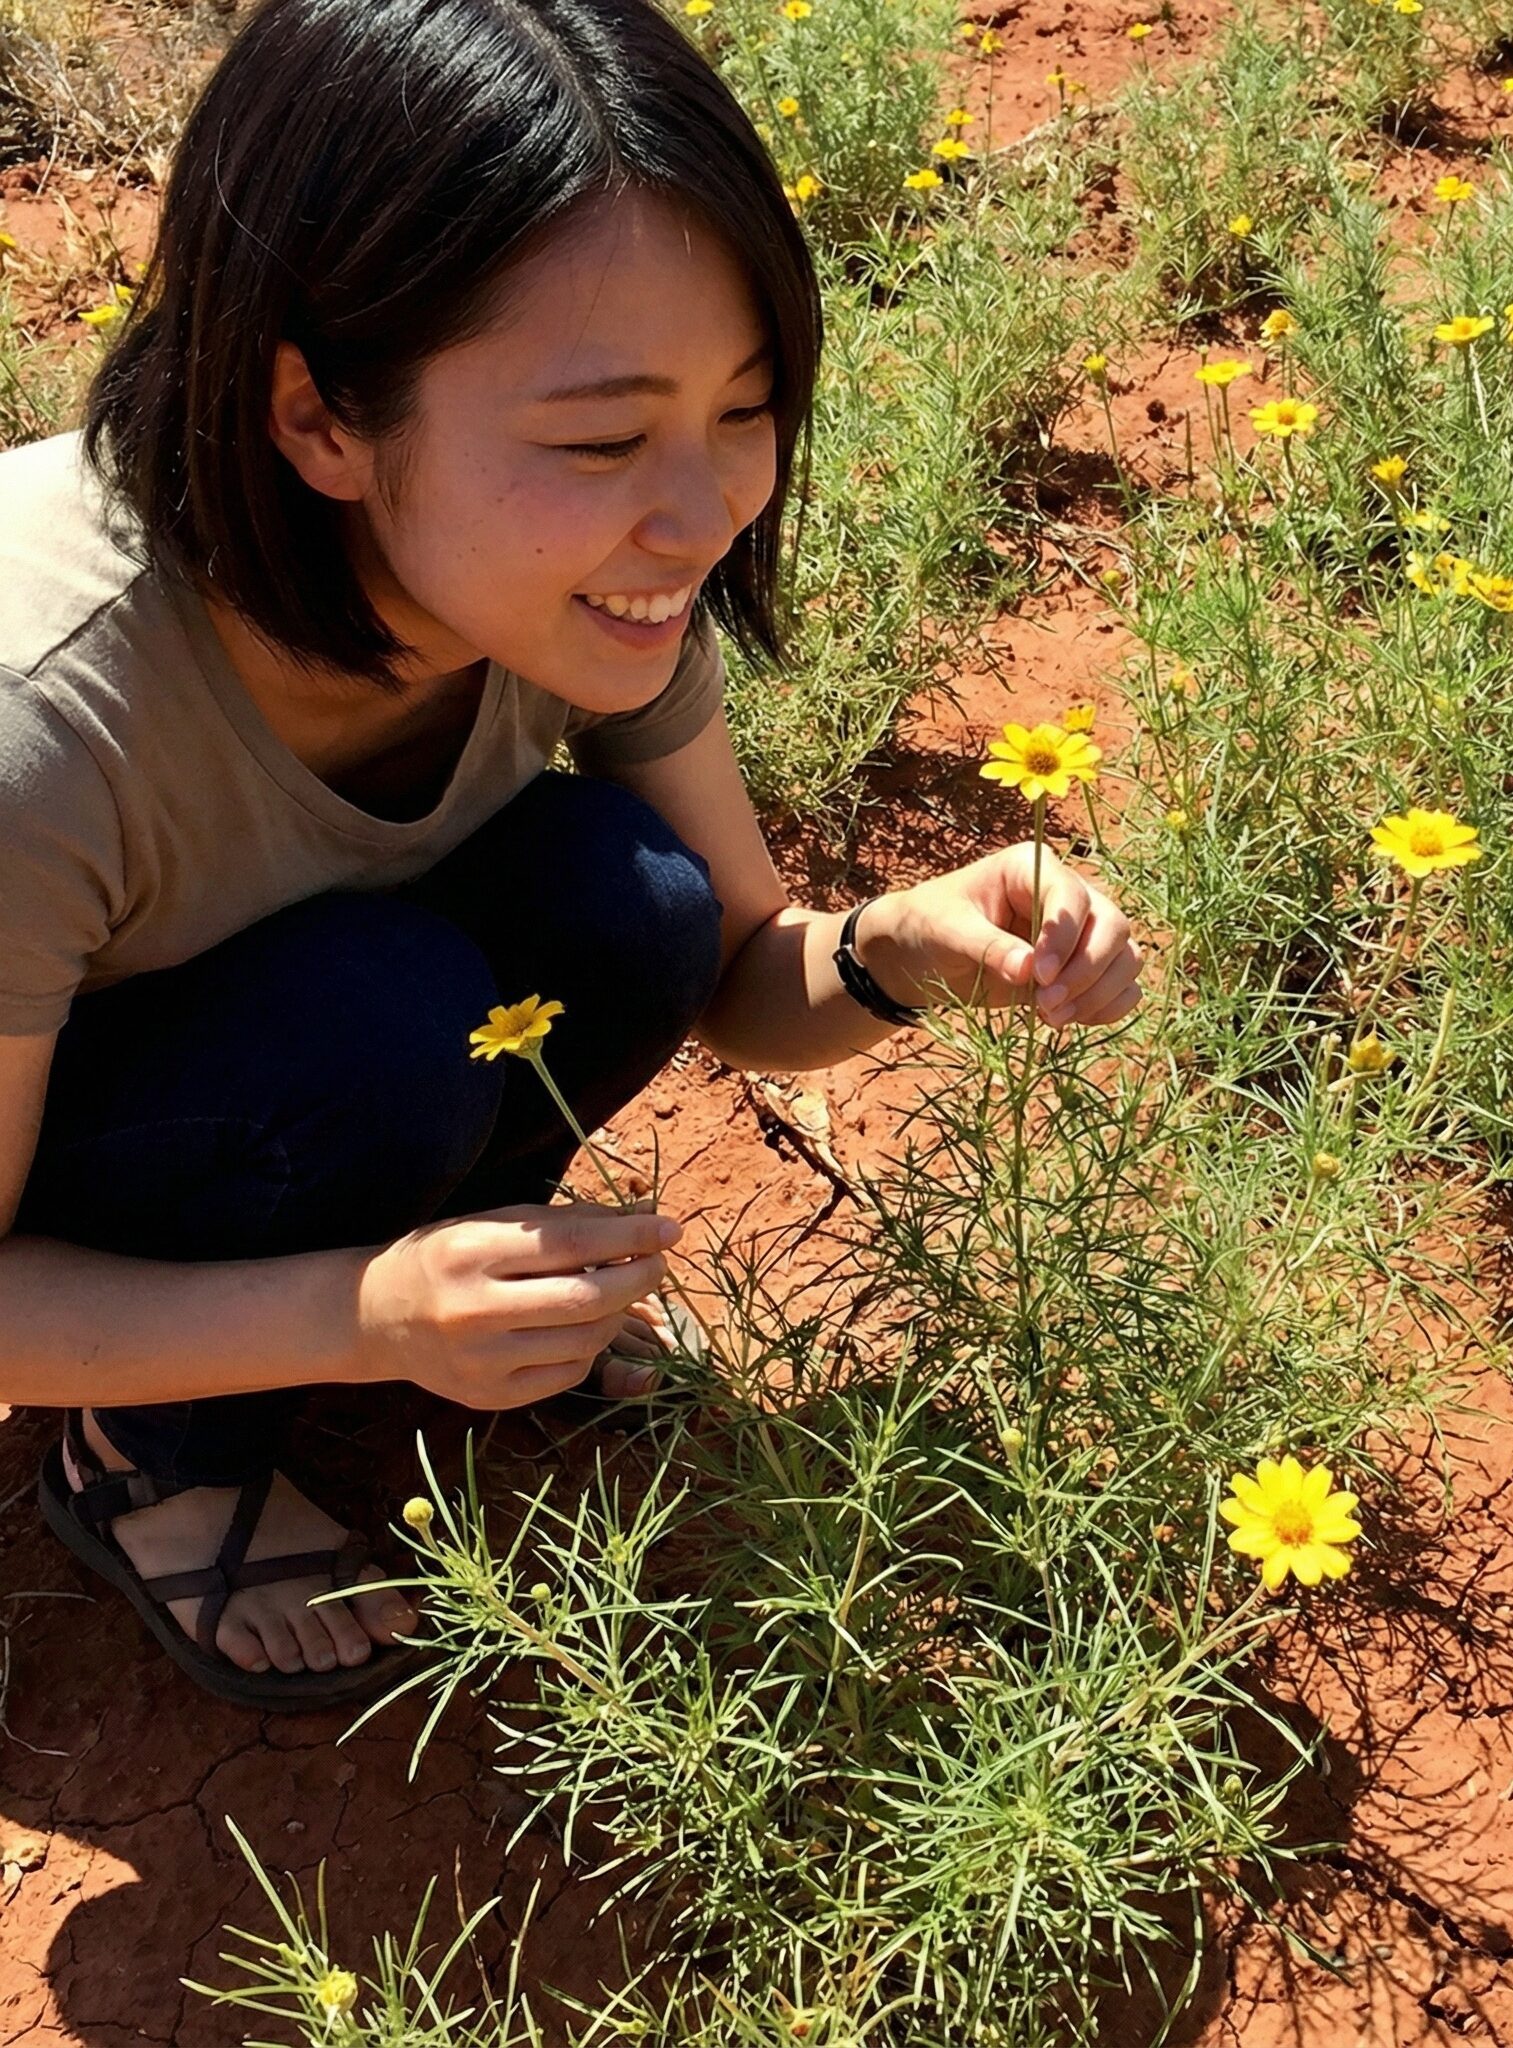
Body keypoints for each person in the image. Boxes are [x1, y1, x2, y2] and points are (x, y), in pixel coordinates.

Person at [0, 0, 1142, 1711]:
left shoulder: (574, 582)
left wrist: (907, 942)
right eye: (603, 439)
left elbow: (739, 966)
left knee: (634, 899)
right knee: (384, 1013)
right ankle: (147, 1445)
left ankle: (418, 1256)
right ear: (317, 417)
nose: (702, 511)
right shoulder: (42, 728)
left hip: (242, 1038)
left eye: (744, 408)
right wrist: (360, 1316)